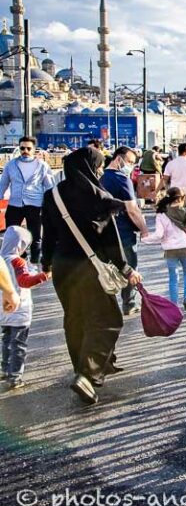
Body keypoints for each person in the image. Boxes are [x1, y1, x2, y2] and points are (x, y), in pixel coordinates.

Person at [41, 147, 145, 405]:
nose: (99, 172)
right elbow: (111, 240)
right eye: (97, 167)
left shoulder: (53, 195)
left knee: (75, 318)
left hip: (63, 268)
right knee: (107, 319)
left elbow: (48, 233)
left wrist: (45, 263)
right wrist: (126, 268)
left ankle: (83, 367)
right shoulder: (98, 197)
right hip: (89, 269)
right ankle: (87, 375)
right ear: (89, 167)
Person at [0, 227, 49, 390]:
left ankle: (4, 368)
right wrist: (44, 276)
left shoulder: (1, 259)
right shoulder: (18, 261)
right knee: (19, 344)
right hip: (19, 311)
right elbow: (24, 281)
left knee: (6, 340)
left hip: (3, 311)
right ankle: (15, 376)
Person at [100, 146, 144, 316]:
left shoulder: (99, 177)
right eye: (130, 162)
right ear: (119, 159)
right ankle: (129, 303)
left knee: (106, 269)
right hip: (123, 232)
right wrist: (144, 229)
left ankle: (107, 305)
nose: (131, 166)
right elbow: (132, 210)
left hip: (102, 232)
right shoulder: (122, 179)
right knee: (130, 267)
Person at [143, 187, 186, 311]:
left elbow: (159, 235)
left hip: (170, 251)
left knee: (173, 278)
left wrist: (144, 239)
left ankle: (174, 305)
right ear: (181, 198)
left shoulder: (161, 214)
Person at [0, 136, 56, 265]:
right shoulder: (11, 165)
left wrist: (51, 203)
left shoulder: (42, 166)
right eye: (22, 148)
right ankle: (19, 258)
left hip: (34, 204)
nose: (25, 150)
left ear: (34, 149)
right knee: (11, 233)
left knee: (35, 235)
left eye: (28, 148)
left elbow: (50, 186)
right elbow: (3, 183)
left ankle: (35, 261)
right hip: (15, 203)